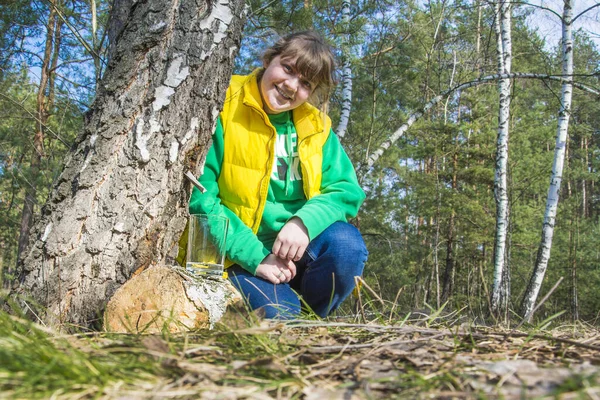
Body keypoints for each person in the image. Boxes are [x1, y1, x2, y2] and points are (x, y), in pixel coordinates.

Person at [189, 31, 367, 319]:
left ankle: (312, 319)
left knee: (346, 246)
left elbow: (346, 190)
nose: (291, 85)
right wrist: (257, 257)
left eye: (306, 83)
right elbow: (201, 194)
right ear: (269, 58)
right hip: (239, 256)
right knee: (280, 318)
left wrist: (303, 223)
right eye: (288, 68)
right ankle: (289, 315)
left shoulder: (317, 127)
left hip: (298, 252)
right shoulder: (223, 101)